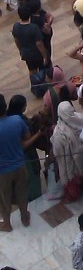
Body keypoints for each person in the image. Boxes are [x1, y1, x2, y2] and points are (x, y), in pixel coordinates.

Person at [0, 93, 36, 232]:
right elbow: (26, 138)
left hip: (3, 171)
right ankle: (25, 217)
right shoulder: (17, 120)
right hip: (20, 165)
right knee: (22, 193)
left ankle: (7, 224)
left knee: (4, 198)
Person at [51, 100, 83, 202]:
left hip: (69, 161)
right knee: (82, 172)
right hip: (82, 155)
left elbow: (58, 152)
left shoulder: (58, 133)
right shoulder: (81, 119)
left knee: (71, 179)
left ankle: (72, 196)